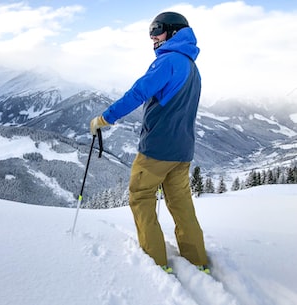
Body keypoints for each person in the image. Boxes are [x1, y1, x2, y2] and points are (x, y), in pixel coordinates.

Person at [89, 12, 209, 273]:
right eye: (151, 31)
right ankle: (197, 260)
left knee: (141, 196)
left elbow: (138, 92)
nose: (153, 37)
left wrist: (104, 118)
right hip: (182, 150)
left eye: (157, 30)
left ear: (174, 32)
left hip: (156, 150)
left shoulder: (167, 62)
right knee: (181, 204)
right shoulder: (192, 67)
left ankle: (155, 262)